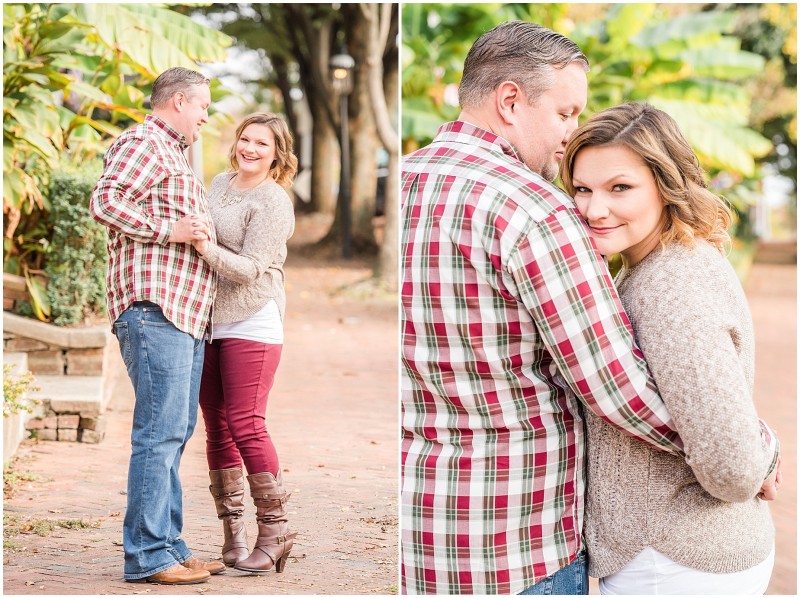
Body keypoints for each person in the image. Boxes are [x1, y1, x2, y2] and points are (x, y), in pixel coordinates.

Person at [401, 21, 686, 595]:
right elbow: (619, 390)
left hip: (417, 540)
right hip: (515, 548)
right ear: (510, 100)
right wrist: (741, 449)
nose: (571, 133)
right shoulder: (535, 211)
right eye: (565, 113)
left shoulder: (406, 180)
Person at [559, 102, 781, 595]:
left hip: (678, 563)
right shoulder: (660, 262)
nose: (595, 209)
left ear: (666, 184)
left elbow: (734, 468)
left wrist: (759, 450)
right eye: (582, 188)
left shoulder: (671, 286)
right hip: (682, 553)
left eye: (620, 188)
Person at [91, 67, 224, 584]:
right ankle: (147, 556)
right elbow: (105, 200)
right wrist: (168, 229)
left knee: (174, 433)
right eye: (202, 108)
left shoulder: (173, 152)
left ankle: (168, 544)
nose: (206, 117)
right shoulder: (144, 141)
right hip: (155, 308)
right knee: (158, 436)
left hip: (182, 312)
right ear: (179, 102)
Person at [190, 112, 298, 574]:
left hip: (253, 317)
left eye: (262, 144)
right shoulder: (218, 182)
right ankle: (233, 532)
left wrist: (203, 248)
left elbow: (252, 267)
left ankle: (275, 532)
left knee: (245, 421)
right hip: (211, 319)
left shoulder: (274, 201)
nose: (250, 149)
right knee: (216, 424)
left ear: (277, 154)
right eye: (246, 139)